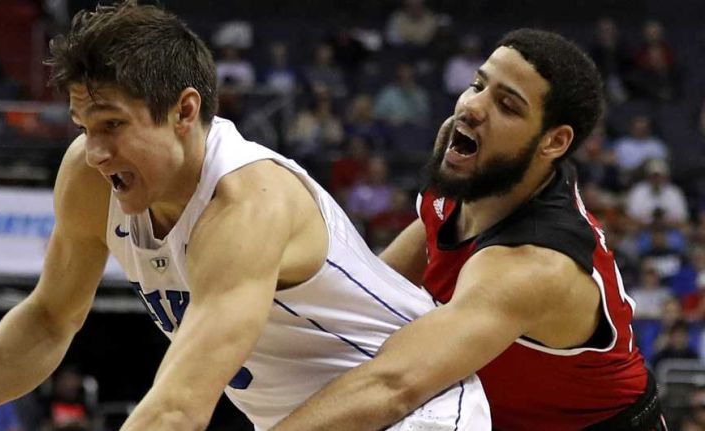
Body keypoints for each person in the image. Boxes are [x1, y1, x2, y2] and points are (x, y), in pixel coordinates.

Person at [0, 2, 490, 431]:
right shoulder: (89, 175)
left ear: (184, 110)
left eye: (112, 125)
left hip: (414, 407)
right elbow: (49, 319)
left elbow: (179, 408)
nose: (96, 150)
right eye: (83, 126)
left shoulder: (248, 202)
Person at [272, 29, 664, 431]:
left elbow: (391, 385)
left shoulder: (534, 265)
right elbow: (365, 297)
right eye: (478, 84)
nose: (472, 107)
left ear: (554, 141)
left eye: (507, 106)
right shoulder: (470, 173)